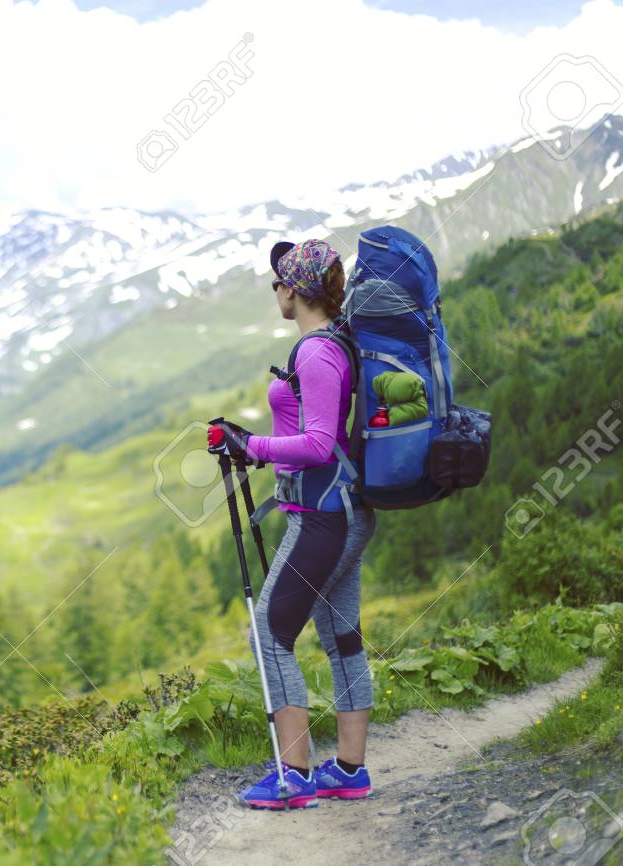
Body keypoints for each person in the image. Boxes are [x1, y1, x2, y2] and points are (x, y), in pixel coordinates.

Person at [211, 239, 376, 810]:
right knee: (341, 636)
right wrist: (251, 441)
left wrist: (249, 445)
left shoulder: (315, 352)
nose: (274, 291)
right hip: (342, 512)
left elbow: (318, 442)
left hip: (324, 518)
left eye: (277, 282)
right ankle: (349, 770)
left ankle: (296, 775)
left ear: (294, 290)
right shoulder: (331, 344)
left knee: (269, 635)